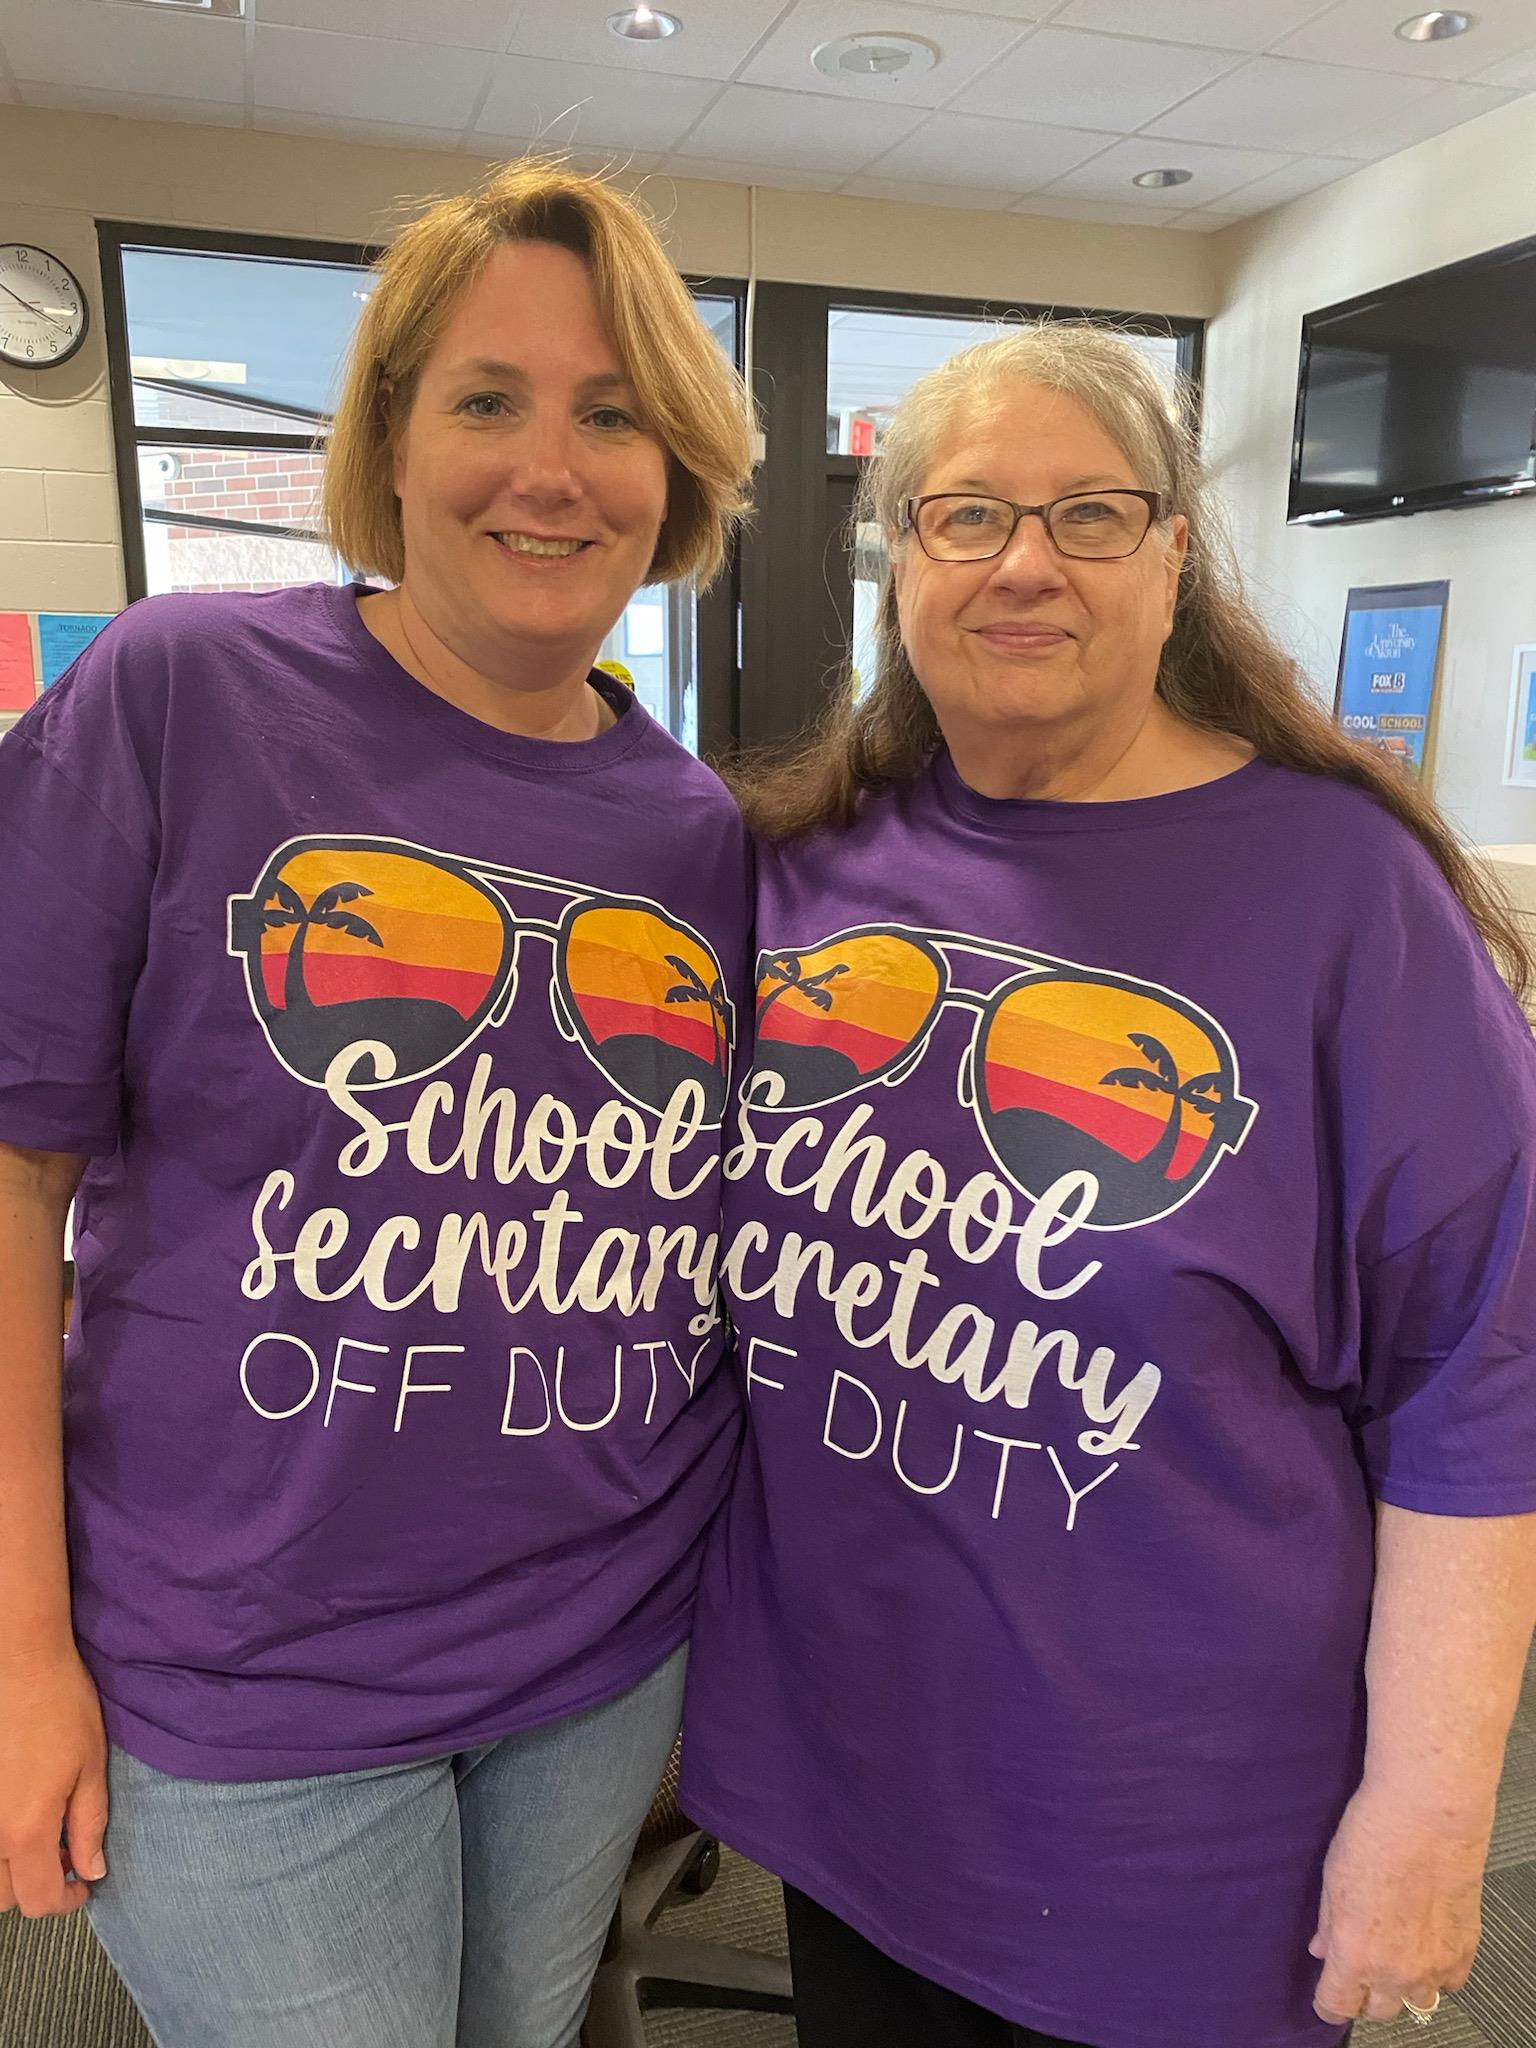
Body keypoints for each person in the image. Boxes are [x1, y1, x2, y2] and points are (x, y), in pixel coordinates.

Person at [680, 323, 1536, 2048]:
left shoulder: (1340, 894)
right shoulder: (804, 872)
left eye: (1088, 514)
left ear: (1170, 565)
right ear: (896, 562)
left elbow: (1483, 1378)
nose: (1023, 563)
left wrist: (1433, 1817)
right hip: (854, 1790)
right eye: (966, 513)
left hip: (1178, 1837)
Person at [0, 159, 753, 2048]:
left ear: (678, 474)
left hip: (593, 1652)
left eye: (614, 414)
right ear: (392, 441)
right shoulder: (188, 693)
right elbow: (14, 1182)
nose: (550, 467)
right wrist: (18, 1648)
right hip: (243, 1669)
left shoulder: (698, 834)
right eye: (487, 399)